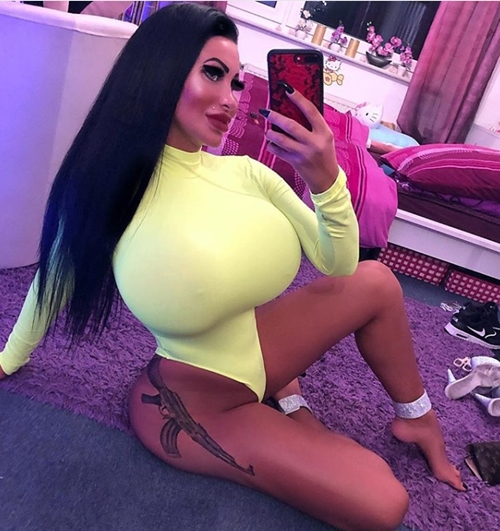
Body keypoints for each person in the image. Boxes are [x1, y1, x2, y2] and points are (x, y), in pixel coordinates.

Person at [0, 3, 464, 530]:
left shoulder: (248, 173)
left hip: (256, 348)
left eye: (237, 82)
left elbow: (338, 265)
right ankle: (290, 405)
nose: (230, 99)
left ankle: (416, 420)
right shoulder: (115, 188)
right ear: (161, 71)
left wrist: (326, 179)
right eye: (214, 74)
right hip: (192, 402)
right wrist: (8, 358)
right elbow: (54, 278)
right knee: (383, 502)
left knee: (376, 280)